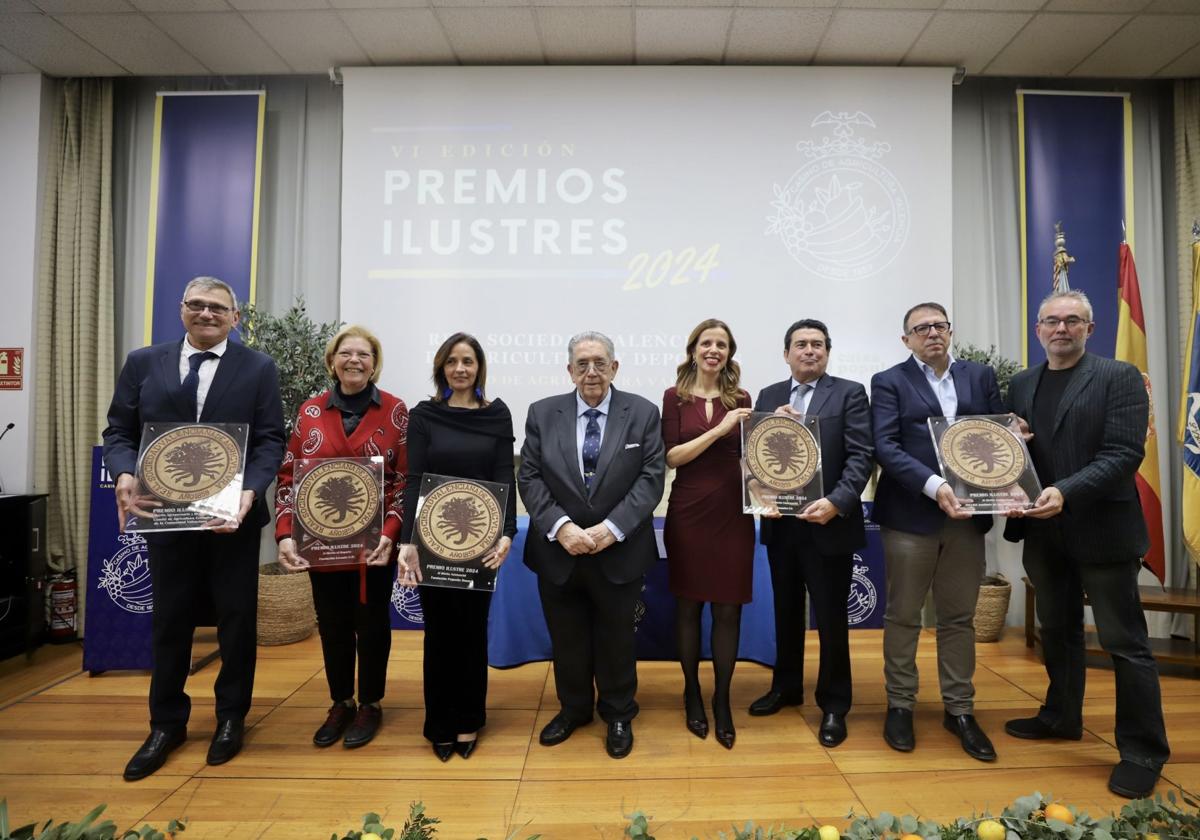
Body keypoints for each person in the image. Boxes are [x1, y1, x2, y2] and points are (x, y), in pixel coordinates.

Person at [103, 276, 286, 781]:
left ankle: (231, 718)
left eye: (218, 308)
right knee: (170, 619)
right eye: (198, 306)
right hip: (164, 515)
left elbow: (272, 439)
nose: (207, 314)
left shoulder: (258, 368)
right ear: (181, 309)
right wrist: (122, 472)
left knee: (236, 620)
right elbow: (119, 429)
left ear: (235, 317)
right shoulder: (145, 362)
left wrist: (251, 492)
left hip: (233, 519)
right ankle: (166, 722)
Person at [1003, 289, 1169, 799]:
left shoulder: (1120, 378)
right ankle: (1060, 716)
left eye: (1072, 321)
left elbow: (1123, 453)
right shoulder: (1022, 383)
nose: (1061, 329)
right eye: (1051, 321)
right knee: (1058, 631)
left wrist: (1064, 492)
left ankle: (1143, 750)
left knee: (1124, 643)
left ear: (1089, 330)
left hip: (1103, 530)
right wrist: (1010, 485)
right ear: (1038, 330)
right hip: (1043, 531)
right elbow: (1020, 456)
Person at [518, 331, 666, 759]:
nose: (592, 372)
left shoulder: (642, 412)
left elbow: (651, 477)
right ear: (569, 370)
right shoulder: (543, 413)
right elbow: (529, 476)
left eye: (600, 363)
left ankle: (619, 713)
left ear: (615, 367)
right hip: (558, 551)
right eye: (582, 364)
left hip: (618, 551)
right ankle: (575, 709)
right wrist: (562, 527)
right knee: (567, 639)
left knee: (617, 638)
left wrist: (611, 529)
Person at [870, 302, 1003, 761]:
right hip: (910, 515)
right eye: (920, 328)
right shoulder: (889, 381)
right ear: (905, 339)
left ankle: (960, 709)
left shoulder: (979, 377)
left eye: (939, 326)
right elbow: (884, 446)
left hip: (967, 519)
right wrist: (934, 485)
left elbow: (995, 433)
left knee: (958, 618)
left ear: (950, 331)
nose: (932, 333)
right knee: (904, 615)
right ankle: (901, 705)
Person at [274, 325, 408, 750]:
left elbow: (404, 481)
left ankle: (370, 702)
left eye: (364, 354)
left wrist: (391, 532)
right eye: (346, 353)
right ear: (332, 361)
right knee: (332, 625)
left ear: (375, 363)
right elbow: (288, 475)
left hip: (375, 546)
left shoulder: (396, 410)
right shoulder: (310, 411)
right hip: (322, 545)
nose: (354, 360)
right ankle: (340, 701)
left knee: (372, 626)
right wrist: (284, 534)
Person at [747, 319, 874, 749]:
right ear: (786, 354)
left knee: (831, 618)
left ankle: (835, 703)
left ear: (827, 352)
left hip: (829, 525)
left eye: (818, 345)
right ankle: (786, 687)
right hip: (782, 527)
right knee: (786, 611)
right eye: (801, 345)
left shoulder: (850, 393)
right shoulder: (768, 396)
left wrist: (837, 501)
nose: (809, 351)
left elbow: (861, 456)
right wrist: (760, 495)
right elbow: (757, 457)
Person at [397, 333, 517, 762]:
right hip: (432, 542)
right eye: (452, 361)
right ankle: (439, 723)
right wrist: (407, 541)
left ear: (479, 367)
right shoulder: (425, 415)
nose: (460, 368)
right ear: (441, 368)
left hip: (482, 543)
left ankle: (469, 719)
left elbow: (506, 475)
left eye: (468, 361)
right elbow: (414, 479)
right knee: (440, 634)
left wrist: (507, 532)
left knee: (471, 633)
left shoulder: (498, 414)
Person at [661, 318, 754, 749]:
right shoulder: (674, 398)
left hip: (733, 514)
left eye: (721, 344)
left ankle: (721, 701)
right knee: (687, 608)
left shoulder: (743, 399)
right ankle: (692, 693)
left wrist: (786, 430)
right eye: (706, 343)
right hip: (689, 511)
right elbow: (673, 457)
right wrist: (719, 429)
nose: (713, 349)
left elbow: (754, 457)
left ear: (729, 353)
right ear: (693, 349)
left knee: (728, 610)